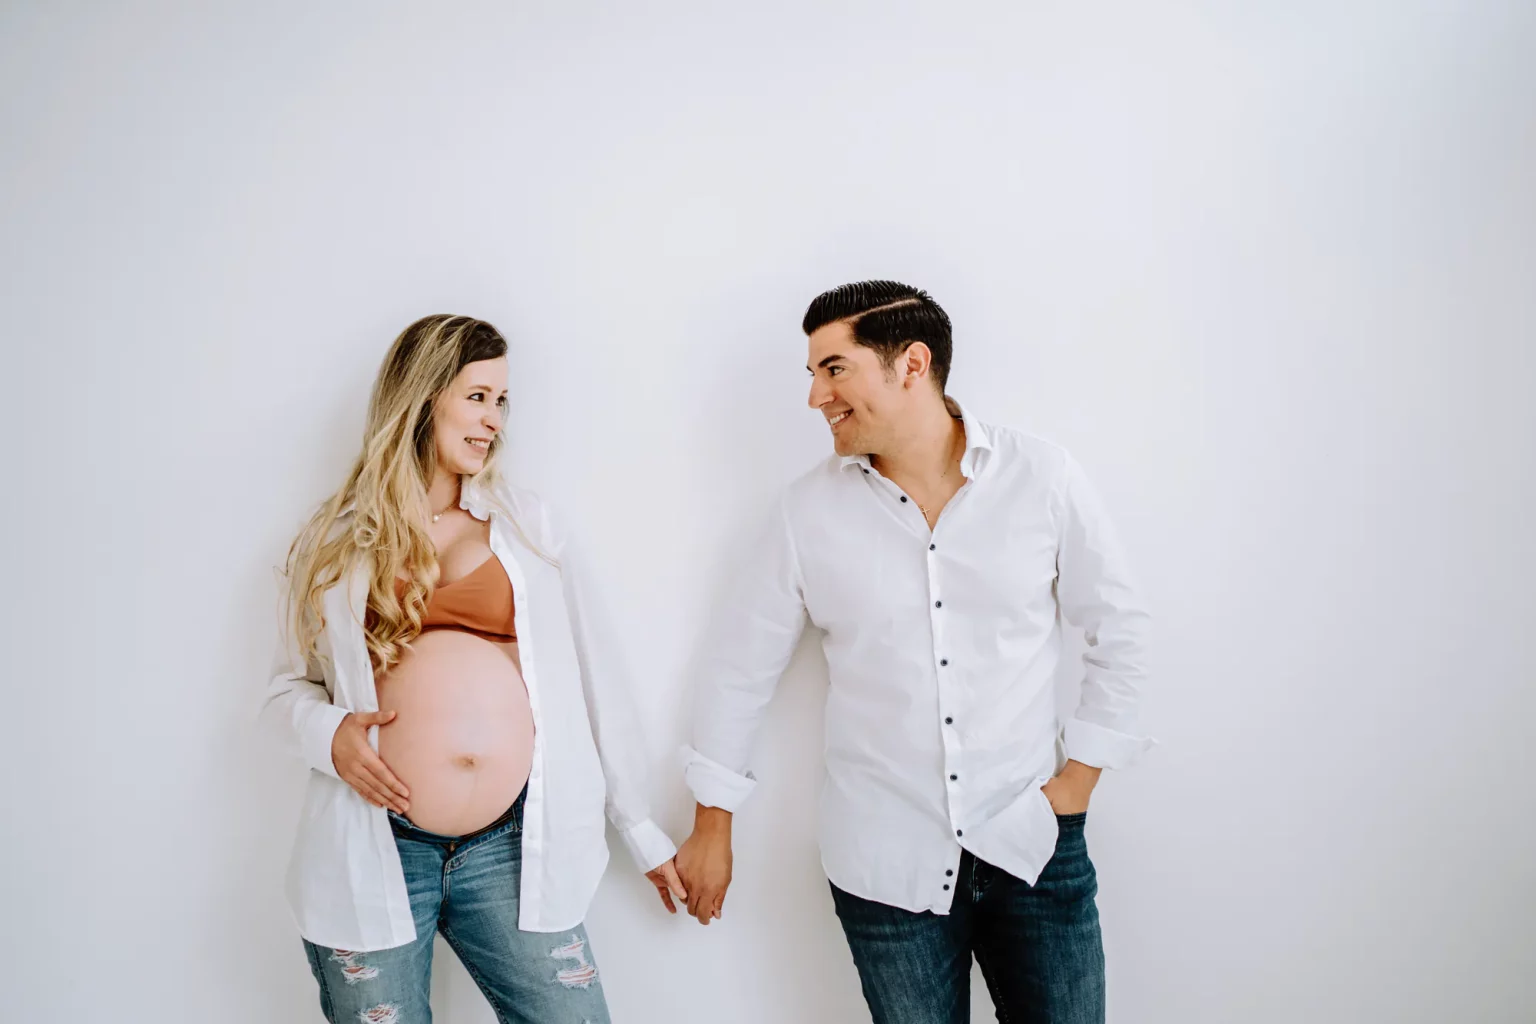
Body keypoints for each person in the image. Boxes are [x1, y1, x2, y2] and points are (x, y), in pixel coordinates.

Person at [675, 282, 1152, 1024]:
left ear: (911, 364)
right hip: (883, 867)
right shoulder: (805, 513)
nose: (815, 398)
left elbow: (1121, 629)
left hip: (1033, 844)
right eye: (812, 375)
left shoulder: (1042, 477)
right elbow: (740, 671)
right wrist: (712, 823)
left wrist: (1078, 783)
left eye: (834, 369)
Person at [262, 314, 686, 1024]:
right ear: (425, 397)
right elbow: (283, 690)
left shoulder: (527, 526)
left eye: (502, 402)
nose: (495, 420)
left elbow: (594, 679)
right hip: (376, 843)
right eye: (478, 397)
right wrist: (330, 734)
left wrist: (640, 828)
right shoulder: (333, 541)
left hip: (510, 846)